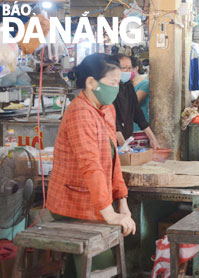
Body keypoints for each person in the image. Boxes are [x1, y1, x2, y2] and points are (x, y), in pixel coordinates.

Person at [46, 53, 136, 277]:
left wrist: (122, 202)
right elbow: (91, 166)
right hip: (73, 202)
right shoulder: (80, 113)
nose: (116, 89)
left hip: (97, 199)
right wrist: (110, 214)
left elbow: (113, 161)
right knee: (101, 265)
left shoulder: (106, 109)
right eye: (112, 83)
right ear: (91, 82)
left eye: (118, 83)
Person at [112, 54, 160, 148]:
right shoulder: (111, 89)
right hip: (113, 140)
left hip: (126, 135)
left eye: (130, 68)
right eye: (125, 68)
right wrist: (123, 146)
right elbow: (113, 120)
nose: (128, 71)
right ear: (114, 69)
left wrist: (152, 138)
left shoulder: (128, 86)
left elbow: (137, 112)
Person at [131, 57, 150, 132]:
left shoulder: (145, 84)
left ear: (136, 68)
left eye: (128, 68)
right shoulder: (127, 84)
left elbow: (133, 103)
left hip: (139, 124)